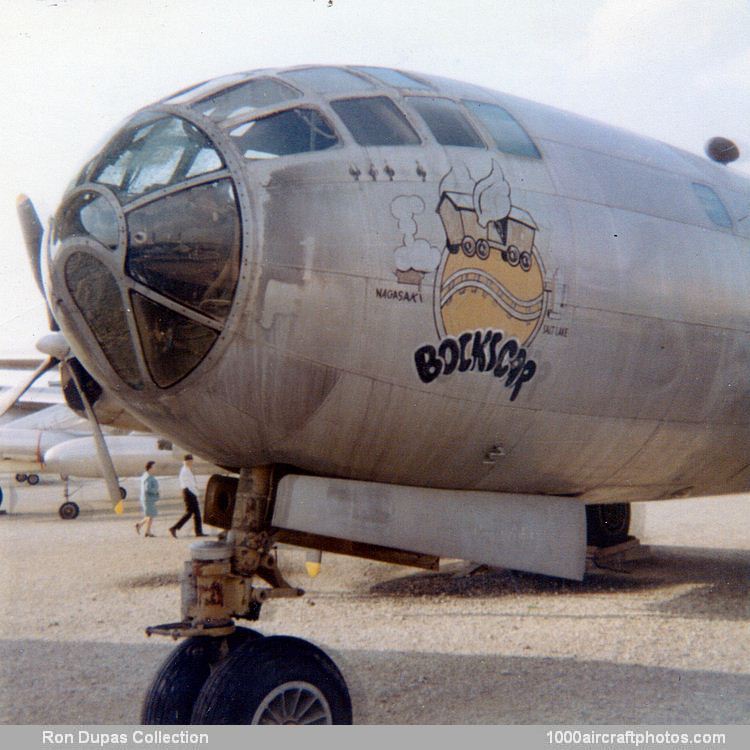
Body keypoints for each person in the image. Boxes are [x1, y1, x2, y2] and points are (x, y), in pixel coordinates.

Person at [169, 454, 206, 538]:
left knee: (196, 513)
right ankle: (174, 528)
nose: (191, 462)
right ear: (187, 461)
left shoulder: (186, 469)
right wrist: (197, 494)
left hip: (190, 492)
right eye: (190, 461)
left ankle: (199, 532)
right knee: (189, 513)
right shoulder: (185, 471)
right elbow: (190, 485)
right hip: (189, 492)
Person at [135, 461, 159, 537]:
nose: (155, 468)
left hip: (147, 498)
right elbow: (147, 488)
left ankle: (143, 528)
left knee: (150, 515)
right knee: (150, 515)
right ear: (150, 468)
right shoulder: (148, 477)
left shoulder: (146, 475)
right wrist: (155, 491)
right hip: (148, 498)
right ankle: (145, 529)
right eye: (154, 467)